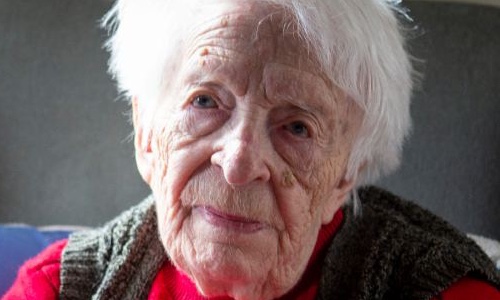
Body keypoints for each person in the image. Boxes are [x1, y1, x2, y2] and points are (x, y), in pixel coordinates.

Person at [3, 0, 499, 299]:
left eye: (297, 127)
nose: (238, 162)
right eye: (205, 101)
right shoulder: (64, 287)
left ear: (346, 175)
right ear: (146, 132)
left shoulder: (442, 291)